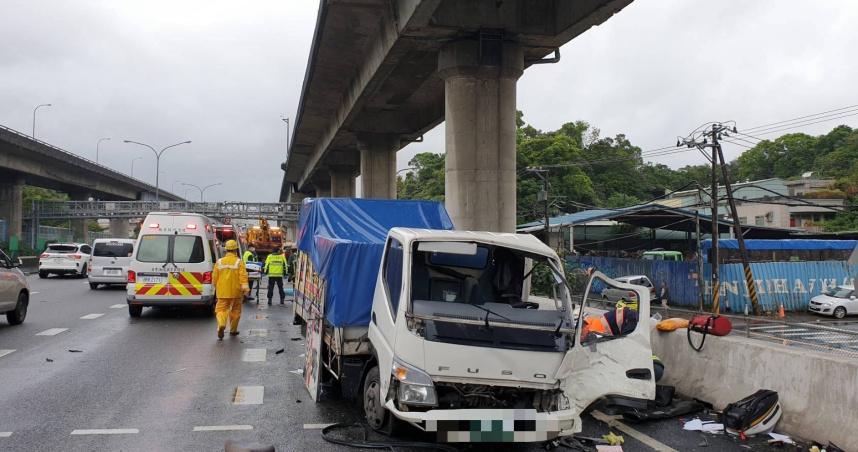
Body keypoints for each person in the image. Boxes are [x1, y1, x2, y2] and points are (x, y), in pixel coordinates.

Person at [213, 239, 250, 340]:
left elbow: (214, 278)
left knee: (221, 310)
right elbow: (243, 277)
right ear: (235, 250)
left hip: (222, 292)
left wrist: (216, 287)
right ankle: (233, 330)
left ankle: (221, 324)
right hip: (236, 292)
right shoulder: (239, 262)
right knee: (235, 311)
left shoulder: (219, 262)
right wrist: (246, 290)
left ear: (226, 250)